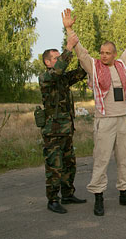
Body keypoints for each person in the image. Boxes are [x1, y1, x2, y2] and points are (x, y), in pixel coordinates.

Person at [61, 8, 126, 216]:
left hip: (123, 120)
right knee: (101, 160)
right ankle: (98, 197)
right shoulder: (93, 66)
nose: (104, 56)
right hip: (105, 121)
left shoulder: (121, 65)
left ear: (114, 54)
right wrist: (69, 28)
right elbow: (80, 51)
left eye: (107, 53)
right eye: (101, 52)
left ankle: (124, 193)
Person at [38, 33, 87, 214]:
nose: (59, 60)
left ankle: (68, 194)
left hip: (66, 130)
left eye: (60, 57)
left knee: (69, 164)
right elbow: (59, 70)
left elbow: (81, 73)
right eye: (56, 58)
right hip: (53, 132)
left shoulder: (62, 79)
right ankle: (52, 200)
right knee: (54, 166)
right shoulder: (45, 78)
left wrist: (83, 56)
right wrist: (69, 47)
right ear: (47, 63)